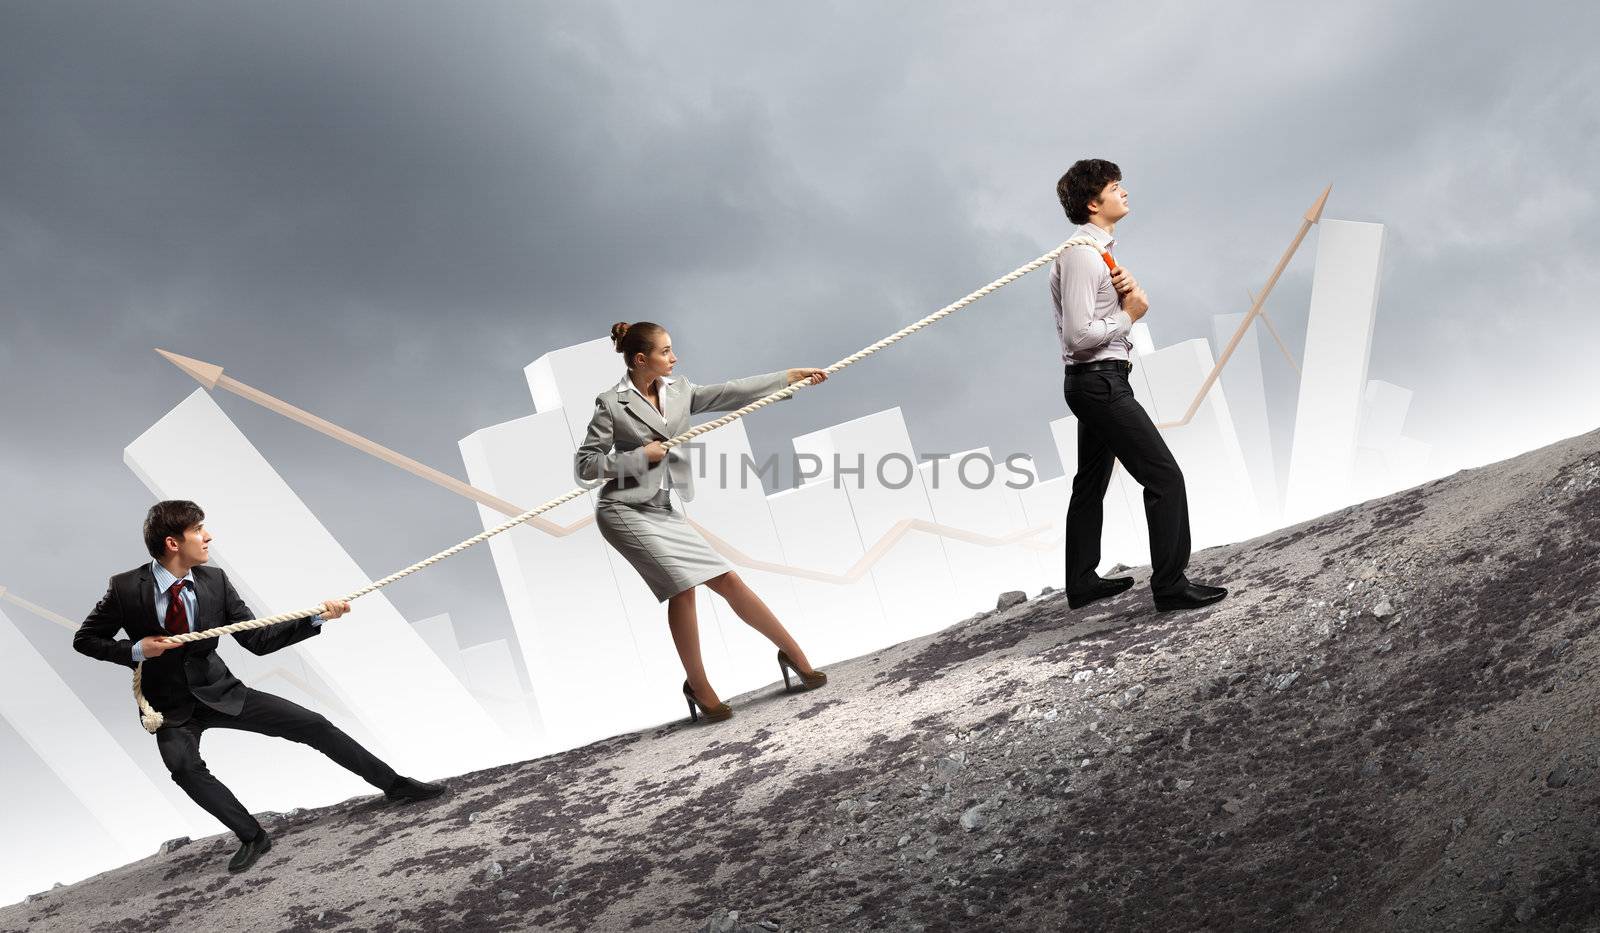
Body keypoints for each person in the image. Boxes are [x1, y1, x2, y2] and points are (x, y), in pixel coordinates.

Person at [73, 500, 446, 874]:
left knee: (313, 725)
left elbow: (258, 640)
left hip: (221, 691)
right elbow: (86, 639)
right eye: (198, 530)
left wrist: (316, 617)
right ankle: (253, 836)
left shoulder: (214, 581)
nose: (208, 536)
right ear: (173, 543)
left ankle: (394, 785)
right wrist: (137, 649)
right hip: (168, 708)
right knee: (185, 769)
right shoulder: (123, 588)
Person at [575, 321, 829, 723]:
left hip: (662, 508)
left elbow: (729, 393)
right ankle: (699, 686)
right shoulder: (611, 403)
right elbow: (585, 465)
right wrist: (641, 456)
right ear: (641, 359)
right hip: (624, 511)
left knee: (728, 580)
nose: (674, 358)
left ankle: (795, 655)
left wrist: (787, 379)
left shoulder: (679, 391)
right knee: (684, 589)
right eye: (665, 352)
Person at [1051, 159, 1229, 612]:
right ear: (1094, 203)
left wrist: (1123, 300)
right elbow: (1077, 337)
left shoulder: (1096, 255)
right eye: (1115, 187)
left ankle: (1081, 581)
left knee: (1090, 481)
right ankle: (1170, 585)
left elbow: (1091, 321)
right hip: (1098, 383)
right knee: (1165, 478)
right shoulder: (1081, 256)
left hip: (1100, 381)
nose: (1124, 192)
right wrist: (1131, 314)